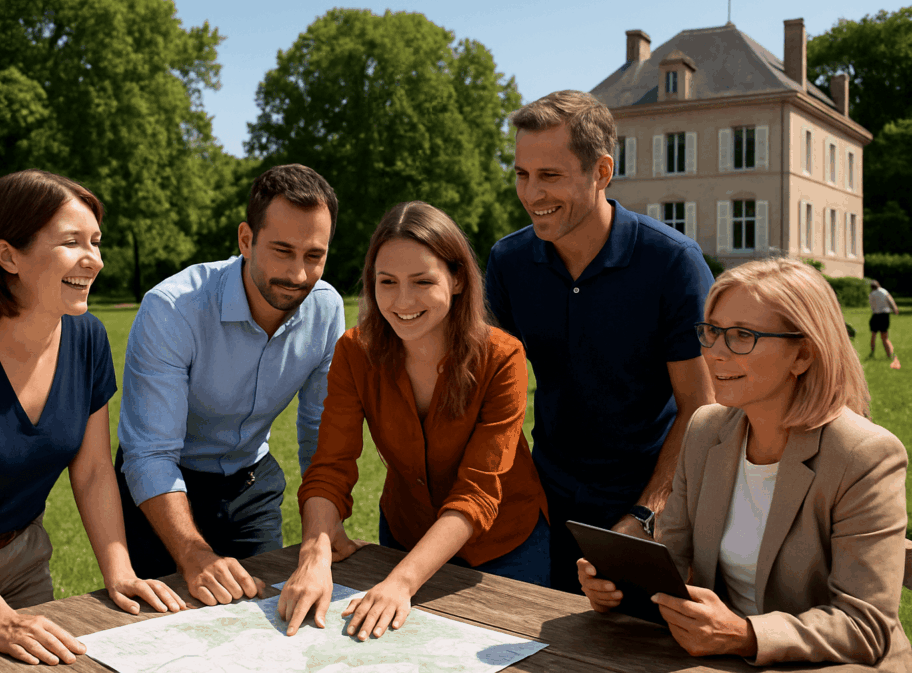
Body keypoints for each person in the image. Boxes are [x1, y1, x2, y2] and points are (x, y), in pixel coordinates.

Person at [0, 170, 184, 664]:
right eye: (72, 242)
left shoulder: (87, 339)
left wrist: (120, 570)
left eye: (96, 241)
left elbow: (91, 473)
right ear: (8, 256)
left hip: (24, 563)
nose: (94, 259)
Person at [578, 258, 912, 670]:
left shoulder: (865, 454)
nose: (714, 353)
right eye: (712, 332)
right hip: (724, 659)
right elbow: (673, 553)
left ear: (803, 354)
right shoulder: (705, 428)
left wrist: (745, 634)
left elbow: (865, 627)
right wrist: (620, 582)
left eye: (742, 336)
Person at [278, 201, 549, 641]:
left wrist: (401, 583)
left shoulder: (503, 358)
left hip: (506, 549)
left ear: (458, 279)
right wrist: (314, 552)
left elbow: (478, 494)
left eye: (423, 281)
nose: (402, 301)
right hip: (405, 534)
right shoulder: (355, 352)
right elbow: (330, 468)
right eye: (387, 282)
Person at [484, 90, 715, 592]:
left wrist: (645, 518)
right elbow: (484, 387)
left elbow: (700, 407)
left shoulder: (673, 263)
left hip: (650, 503)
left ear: (602, 172)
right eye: (522, 174)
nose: (531, 194)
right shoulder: (508, 262)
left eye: (550, 176)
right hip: (545, 501)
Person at [115, 164, 346, 608]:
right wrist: (194, 554)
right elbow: (150, 454)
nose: (299, 275)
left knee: (267, 621)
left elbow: (320, 433)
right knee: (164, 636)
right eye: (282, 251)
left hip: (251, 486)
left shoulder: (327, 308)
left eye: (314, 255)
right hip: (162, 491)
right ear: (246, 239)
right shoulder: (173, 308)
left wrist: (323, 532)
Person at [869, 279, 900, 360]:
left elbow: (872, 306)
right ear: (878, 285)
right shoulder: (883, 291)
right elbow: (890, 300)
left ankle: (872, 353)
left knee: (873, 336)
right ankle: (889, 354)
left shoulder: (871, 294)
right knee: (884, 337)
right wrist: (895, 308)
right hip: (884, 316)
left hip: (875, 316)